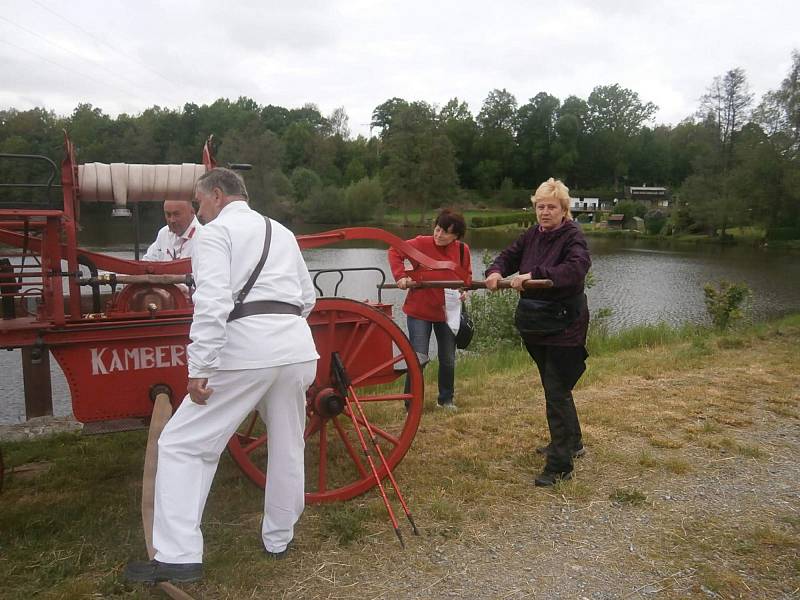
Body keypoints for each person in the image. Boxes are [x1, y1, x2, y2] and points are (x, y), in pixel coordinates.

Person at [125, 168, 319, 583]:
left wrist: (200, 367)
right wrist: (283, 334)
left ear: (216, 195)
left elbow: (211, 304)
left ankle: (177, 556)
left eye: (198, 203)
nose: (198, 211)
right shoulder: (282, 232)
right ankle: (279, 537)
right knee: (287, 444)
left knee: (181, 443)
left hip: (248, 349)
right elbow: (307, 298)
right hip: (298, 348)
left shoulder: (214, 234)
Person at [485, 178, 591, 487]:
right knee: (553, 386)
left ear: (563, 209)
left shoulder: (573, 236)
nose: (545, 212)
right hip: (535, 323)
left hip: (565, 323)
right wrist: (495, 272)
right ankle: (572, 443)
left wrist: (536, 274)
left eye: (551, 207)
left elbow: (576, 268)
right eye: (540, 206)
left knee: (556, 388)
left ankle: (560, 465)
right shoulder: (533, 235)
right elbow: (508, 255)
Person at [388, 209, 471, 410]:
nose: (439, 235)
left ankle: (446, 400)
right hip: (419, 312)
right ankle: (411, 402)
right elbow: (394, 251)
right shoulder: (421, 243)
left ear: (456, 236)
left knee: (448, 359)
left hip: (447, 313)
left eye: (445, 232)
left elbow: (466, 277)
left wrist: (464, 291)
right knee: (419, 358)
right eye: (437, 229)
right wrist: (400, 276)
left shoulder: (462, 250)